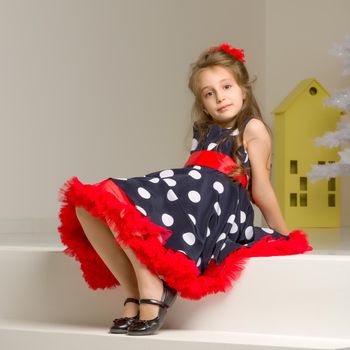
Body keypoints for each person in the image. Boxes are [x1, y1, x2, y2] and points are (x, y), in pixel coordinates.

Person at [58, 43, 312, 336]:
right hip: (195, 193)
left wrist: (285, 236)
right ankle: (136, 291)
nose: (220, 97)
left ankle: (153, 286)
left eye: (227, 86)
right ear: (203, 104)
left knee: (138, 196)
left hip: (221, 204)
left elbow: (261, 189)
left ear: (244, 89)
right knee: (92, 204)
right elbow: (190, 178)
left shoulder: (252, 128)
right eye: (209, 93)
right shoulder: (203, 131)